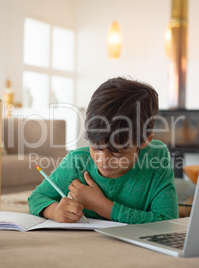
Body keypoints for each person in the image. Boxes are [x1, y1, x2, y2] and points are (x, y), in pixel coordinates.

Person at [28, 77, 178, 224]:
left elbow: (167, 222)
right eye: (95, 147)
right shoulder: (78, 161)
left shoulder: (157, 156)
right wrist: (54, 211)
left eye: (116, 153)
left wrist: (100, 205)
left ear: (144, 141)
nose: (102, 160)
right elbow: (36, 198)